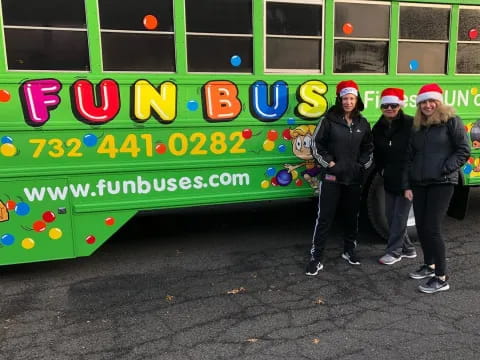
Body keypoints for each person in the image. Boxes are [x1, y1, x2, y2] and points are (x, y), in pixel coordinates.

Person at [405, 83, 470, 293]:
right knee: (422, 227)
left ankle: (441, 277)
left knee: (432, 228)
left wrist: (445, 169)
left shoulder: (451, 122)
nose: (427, 105)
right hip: (420, 183)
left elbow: (463, 150)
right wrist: (410, 179)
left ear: (439, 102)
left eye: (431, 101)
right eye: (423, 102)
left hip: (442, 183)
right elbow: (411, 156)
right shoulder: (418, 127)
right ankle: (429, 264)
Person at [306, 80, 373, 275]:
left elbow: (368, 147)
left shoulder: (363, 122)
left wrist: (362, 165)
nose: (348, 102)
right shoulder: (327, 120)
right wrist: (330, 164)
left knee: (352, 215)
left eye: (351, 98)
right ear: (339, 99)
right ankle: (316, 257)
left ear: (356, 100)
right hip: (331, 178)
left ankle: (349, 250)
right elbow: (316, 146)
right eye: (345, 98)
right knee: (325, 217)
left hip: (353, 178)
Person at [372, 88, 416, 265]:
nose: (389, 108)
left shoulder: (410, 124)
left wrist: (411, 180)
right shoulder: (379, 127)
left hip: (408, 178)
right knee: (390, 216)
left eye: (393, 105)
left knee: (399, 216)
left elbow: (416, 151)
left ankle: (394, 251)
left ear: (400, 105)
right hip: (389, 178)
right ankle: (408, 248)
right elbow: (377, 152)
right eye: (385, 105)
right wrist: (382, 170)